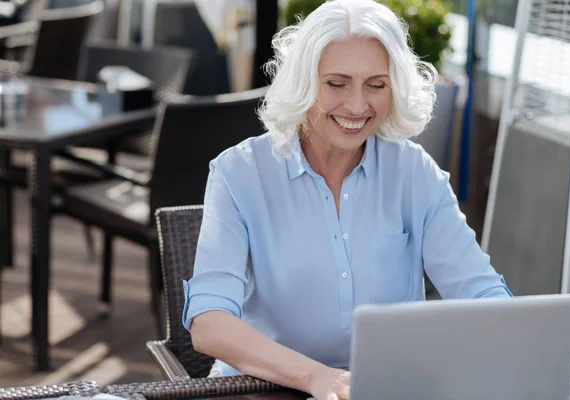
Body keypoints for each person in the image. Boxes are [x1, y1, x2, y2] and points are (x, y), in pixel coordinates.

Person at [182, 0, 512, 399]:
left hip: (379, 387)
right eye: (336, 84)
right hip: (260, 387)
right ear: (303, 82)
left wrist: (514, 338)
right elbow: (209, 322)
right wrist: (316, 378)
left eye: (377, 85)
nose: (357, 106)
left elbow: (481, 293)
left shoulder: (413, 171)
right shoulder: (239, 173)